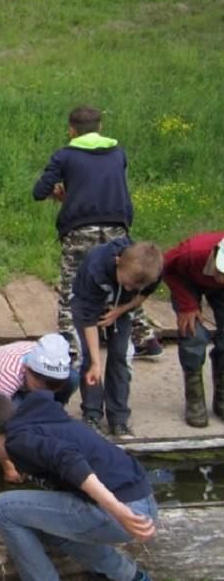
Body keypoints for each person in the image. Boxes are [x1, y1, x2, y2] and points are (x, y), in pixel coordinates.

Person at [0, 392, 156, 581]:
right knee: (48, 527)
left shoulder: (17, 440)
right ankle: (129, 576)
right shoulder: (37, 419)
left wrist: (118, 510)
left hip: (124, 513)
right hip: (142, 502)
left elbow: (69, 460)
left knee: (3, 508)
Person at [32, 105, 161, 361]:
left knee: (73, 287)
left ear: (71, 130)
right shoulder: (118, 153)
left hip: (80, 227)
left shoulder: (64, 156)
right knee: (124, 280)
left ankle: (69, 347)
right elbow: (102, 185)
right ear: (100, 127)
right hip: (117, 226)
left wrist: (59, 195)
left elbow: (39, 191)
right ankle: (145, 337)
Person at [72, 238, 163, 438]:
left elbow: (142, 294)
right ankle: (92, 414)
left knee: (120, 357)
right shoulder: (96, 267)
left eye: (134, 287)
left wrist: (121, 309)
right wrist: (96, 362)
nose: (130, 288)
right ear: (117, 261)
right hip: (87, 304)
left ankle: (119, 418)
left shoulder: (152, 270)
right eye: (128, 283)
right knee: (89, 359)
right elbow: (88, 321)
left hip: (121, 308)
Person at [0, 333, 76, 482]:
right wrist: (8, 465)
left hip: (24, 380)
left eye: (54, 384)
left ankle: (50, 413)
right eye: (41, 385)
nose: (47, 391)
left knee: (74, 378)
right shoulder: (9, 376)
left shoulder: (57, 364)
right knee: (12, 417)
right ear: (27, 369)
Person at [162, 232, 224, 427]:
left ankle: (222, 397)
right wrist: (187, 304)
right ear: (214, 256)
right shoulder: (190, 254)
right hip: (187, 281)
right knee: (192, 334)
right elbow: (165, 268)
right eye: (222, 272)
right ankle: (195, 399)